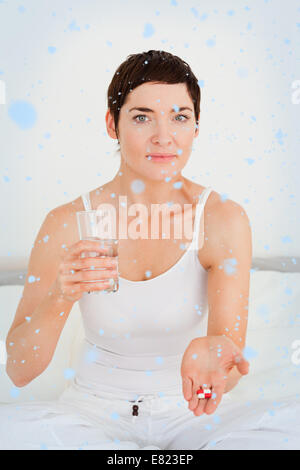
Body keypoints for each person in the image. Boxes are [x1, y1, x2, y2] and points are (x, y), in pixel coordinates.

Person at [1, 50, 300, 450]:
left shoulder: (221, 218)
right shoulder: (67, 221)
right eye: (142, 117)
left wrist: (213, 363)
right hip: (91, 414)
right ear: (113, 124)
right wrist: (60, 295)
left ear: (196, 128)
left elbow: (225, 367)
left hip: (194, 415)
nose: (164, 136)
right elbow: (19, 371)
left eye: (180, 117)